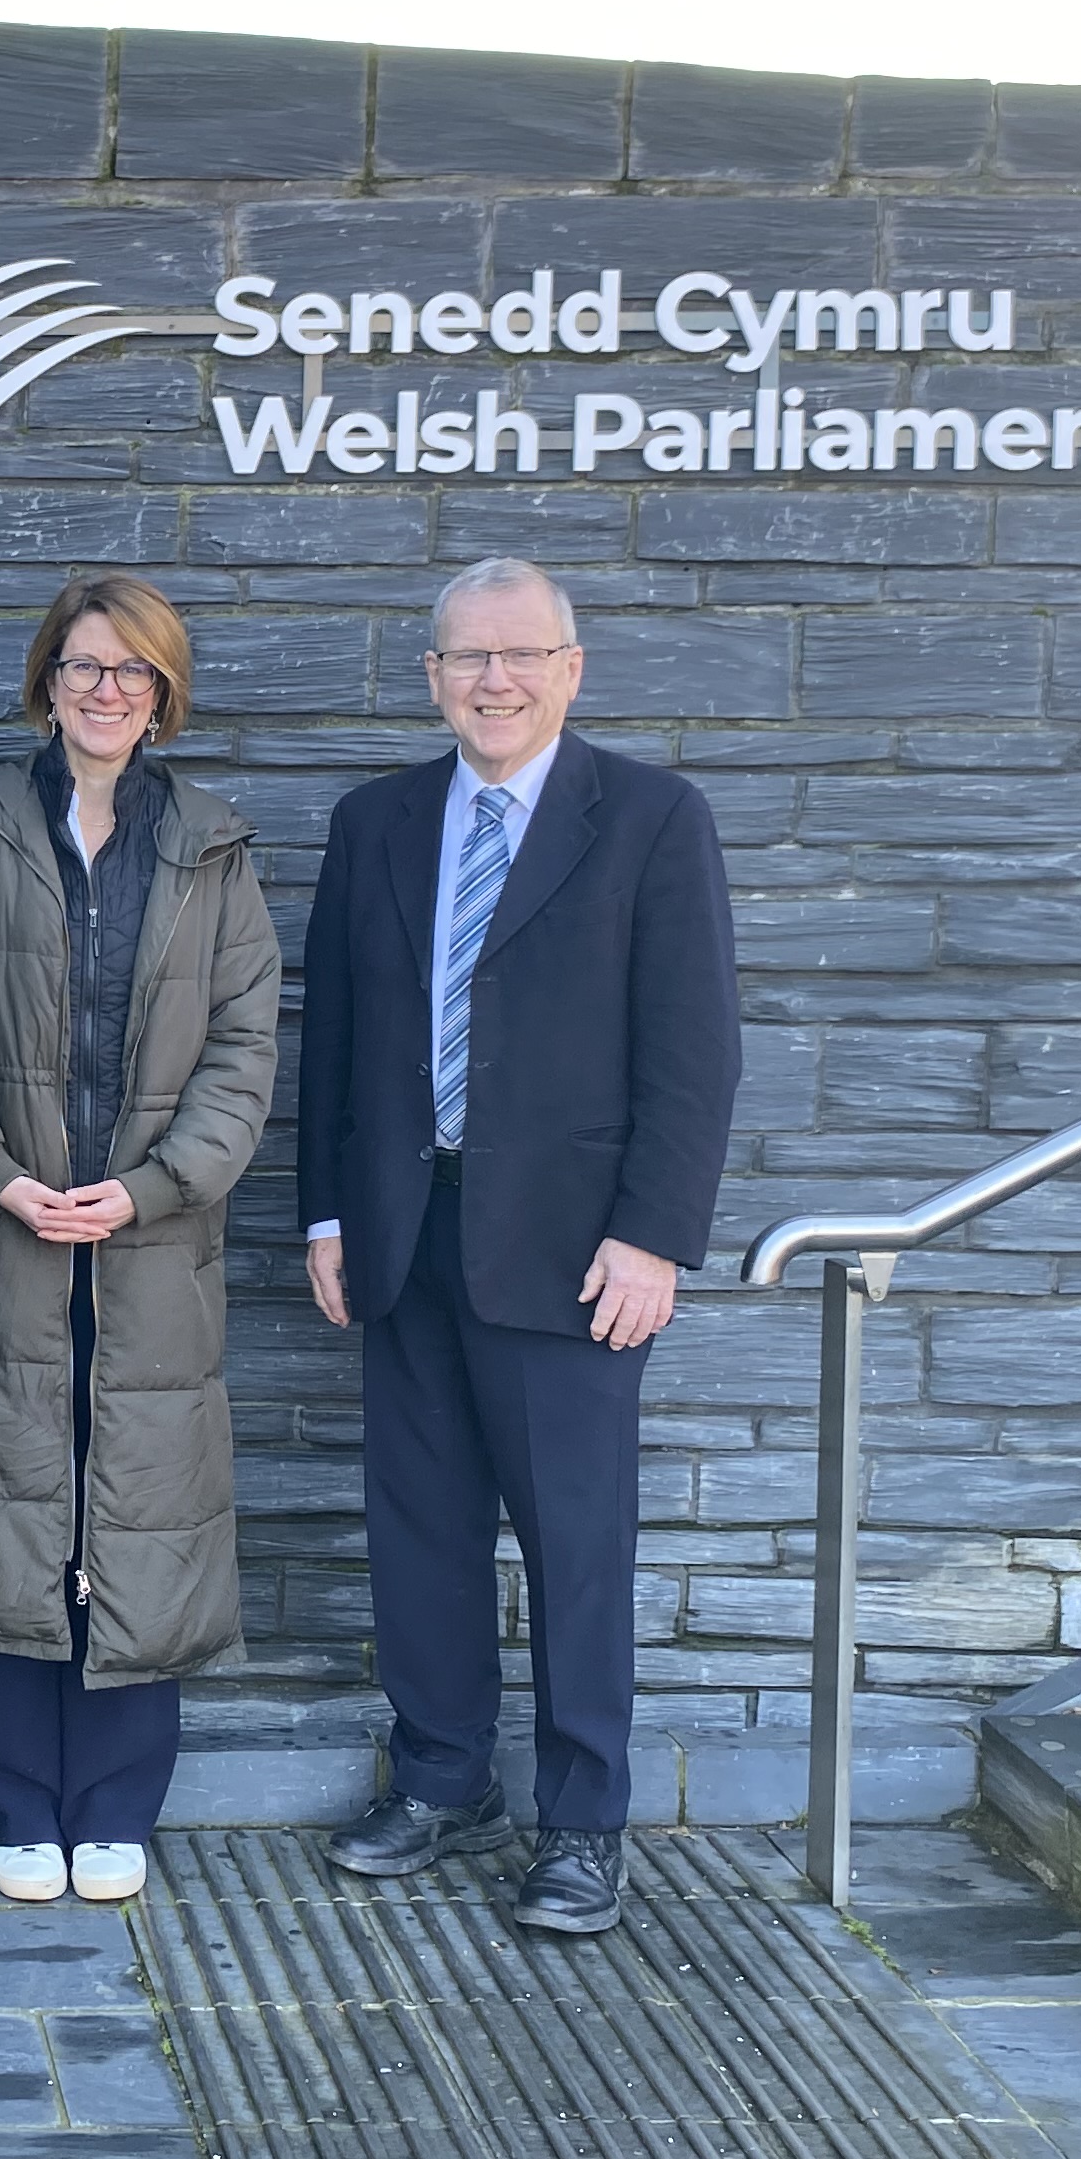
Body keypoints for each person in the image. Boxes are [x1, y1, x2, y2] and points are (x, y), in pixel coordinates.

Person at [298, 559, 742, 1938]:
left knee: (575, 1543)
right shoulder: (375, 822)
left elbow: (695, 1050)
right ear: (431, 676)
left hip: (571, 1251)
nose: (494, 680)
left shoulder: (652, 819)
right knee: (419, 1528)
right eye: (468, 658)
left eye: (521, 654)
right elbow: (334, 1039)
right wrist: (328, 1213)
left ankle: (583, 1822)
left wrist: (654, 1236)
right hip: (404, 1230)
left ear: (570, 669)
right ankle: (444, 1779)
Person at [0, 576, 279, 1907]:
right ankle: (16, 1796)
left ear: (163, 694)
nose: (106, 691)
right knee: (5, 1495)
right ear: (45, 682)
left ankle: (116, 1800)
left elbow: (244, 1046)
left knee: (139, 1498)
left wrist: (155, 1188)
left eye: (132, 672)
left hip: (151, 1245)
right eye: (82, 666)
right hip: (2, 1234)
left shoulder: (213, 846)